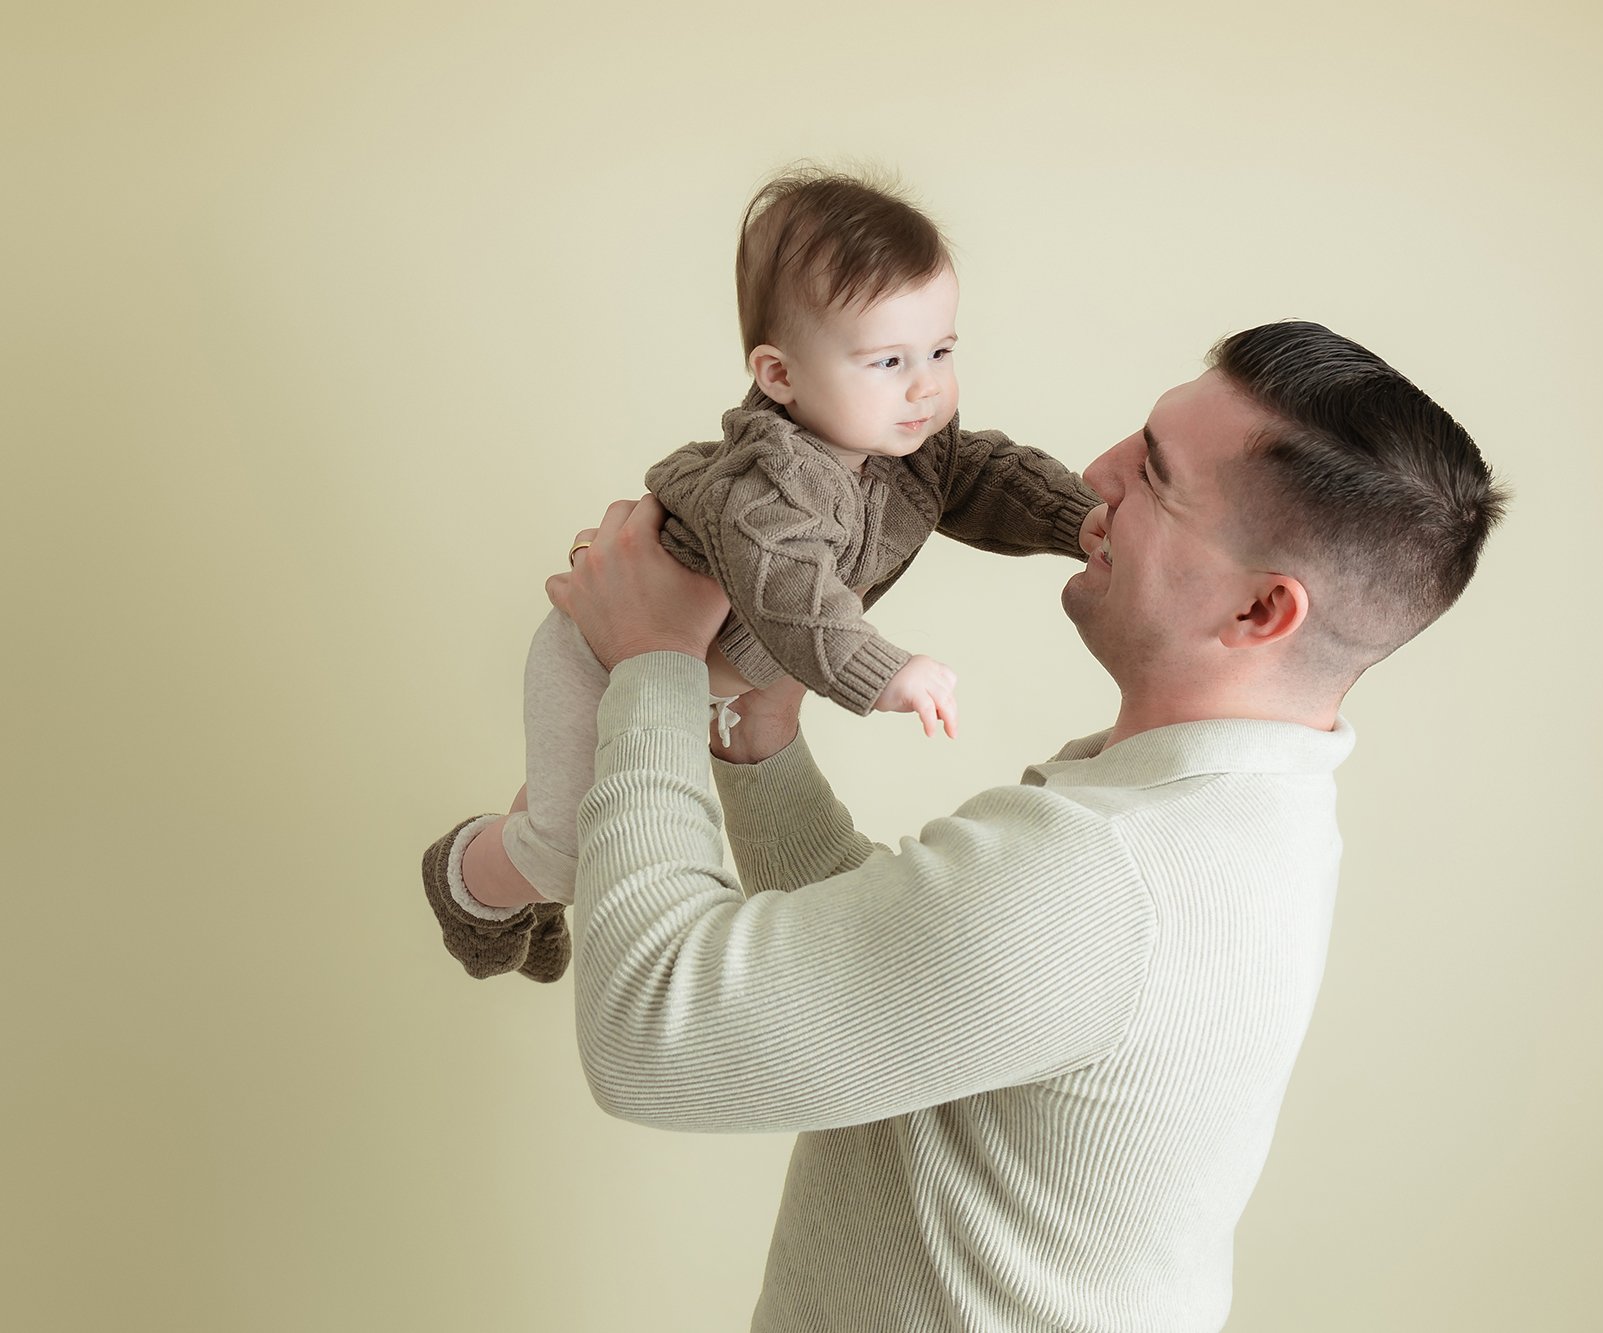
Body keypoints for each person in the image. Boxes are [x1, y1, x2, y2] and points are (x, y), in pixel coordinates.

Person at [534, 319, 1508, 1330]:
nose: (1095, 471)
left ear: (1261, 611)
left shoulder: (1105, 872)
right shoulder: (1240, 818)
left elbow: (649, 1032)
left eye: (1154, 475)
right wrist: (759, 736)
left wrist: (649, 662)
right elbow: (902, 982)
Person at [418, 170, 1099, 982]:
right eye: (887, 360)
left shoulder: (915, 448)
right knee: (577, 851)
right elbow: (790, 590)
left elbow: (988, 477)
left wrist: (1078, 517)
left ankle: (523, 873)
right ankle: (470, 880)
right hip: (602, 652)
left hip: (689, 668)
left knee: (579, 801)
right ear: (779, 376)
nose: (927, 386)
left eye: (941, 351)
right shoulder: (767, 486)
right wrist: (887, 671)